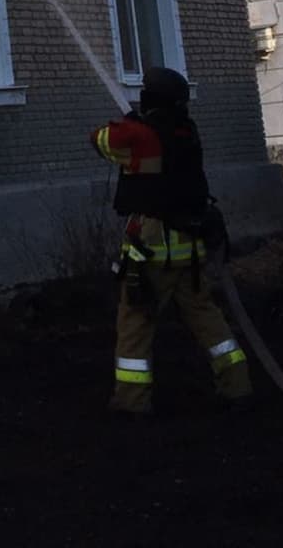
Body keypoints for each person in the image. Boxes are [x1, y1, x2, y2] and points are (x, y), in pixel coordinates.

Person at [92, 67, 253, 417]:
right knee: (207, 317)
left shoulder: (139, 134)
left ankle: (131, 403)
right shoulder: (186, 131)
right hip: (190, 248)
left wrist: (129, 123)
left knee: (135, 322)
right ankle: (237, 384)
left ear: (150, 97)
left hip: (153, 250)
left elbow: (99, 140)